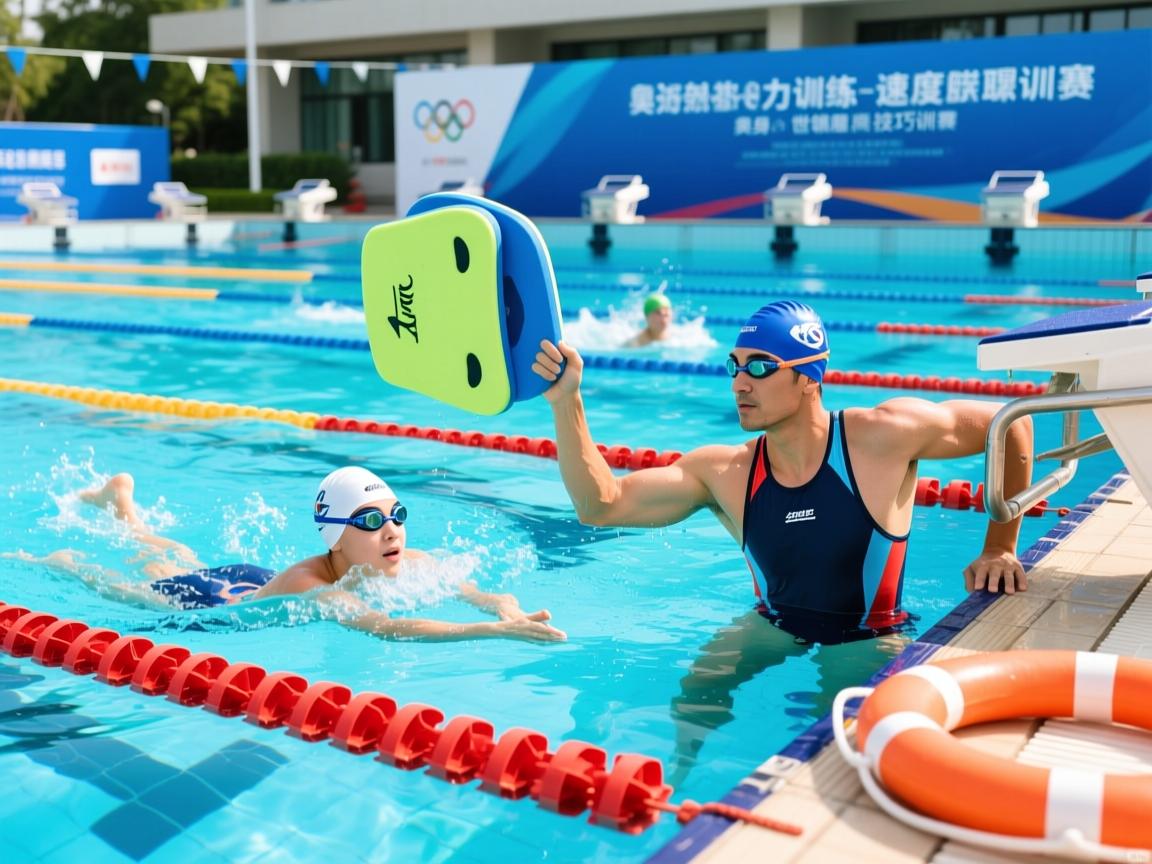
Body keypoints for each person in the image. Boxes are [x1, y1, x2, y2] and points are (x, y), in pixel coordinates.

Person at [532, 299, 1032, 776]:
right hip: (771, 624)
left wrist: (1000, 545)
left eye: (759, 368)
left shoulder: (881, 437)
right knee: (696, 691)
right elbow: (601, 505)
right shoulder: (726, 471)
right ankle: (684, 785)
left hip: (867, 636)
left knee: (838, 741)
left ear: (808, 376)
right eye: (734, 367)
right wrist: (566, 401)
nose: (739, 384)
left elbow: (1011, 423)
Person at [15, 467, 566, 644]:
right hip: (216, 605)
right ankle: (64, 563)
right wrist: (483, 635)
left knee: (176, 556)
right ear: (335, 538)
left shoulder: (404, 555)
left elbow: (469, 587)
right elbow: (388, 626)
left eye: (396, 515)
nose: (392, 530)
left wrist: (503, 609)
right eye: (372, 521)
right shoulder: (311, 585)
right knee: (133, 589)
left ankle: (124, 509)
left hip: (251, 580)